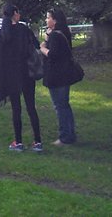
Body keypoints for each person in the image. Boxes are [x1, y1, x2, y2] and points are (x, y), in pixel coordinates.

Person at [0, 4, 42, 152]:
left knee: (16, 108)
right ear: (15, 13)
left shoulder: (1, 34)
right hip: (26, 73)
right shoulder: (24, 30)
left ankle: (18, 142)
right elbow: (35, 46)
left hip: (11, 75)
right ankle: (37, 141)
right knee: (31, 107)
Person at [40, 8, 78, 145]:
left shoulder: (56, 35)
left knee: (60, 106)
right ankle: (70, 134)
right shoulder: (63, 33)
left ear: (55, 20)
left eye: (48, 17)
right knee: (64, 105)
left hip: (57, 75)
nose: (46, 20)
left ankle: (65, 137)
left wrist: (43, 47)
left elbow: (53, 54)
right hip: (64, 74)